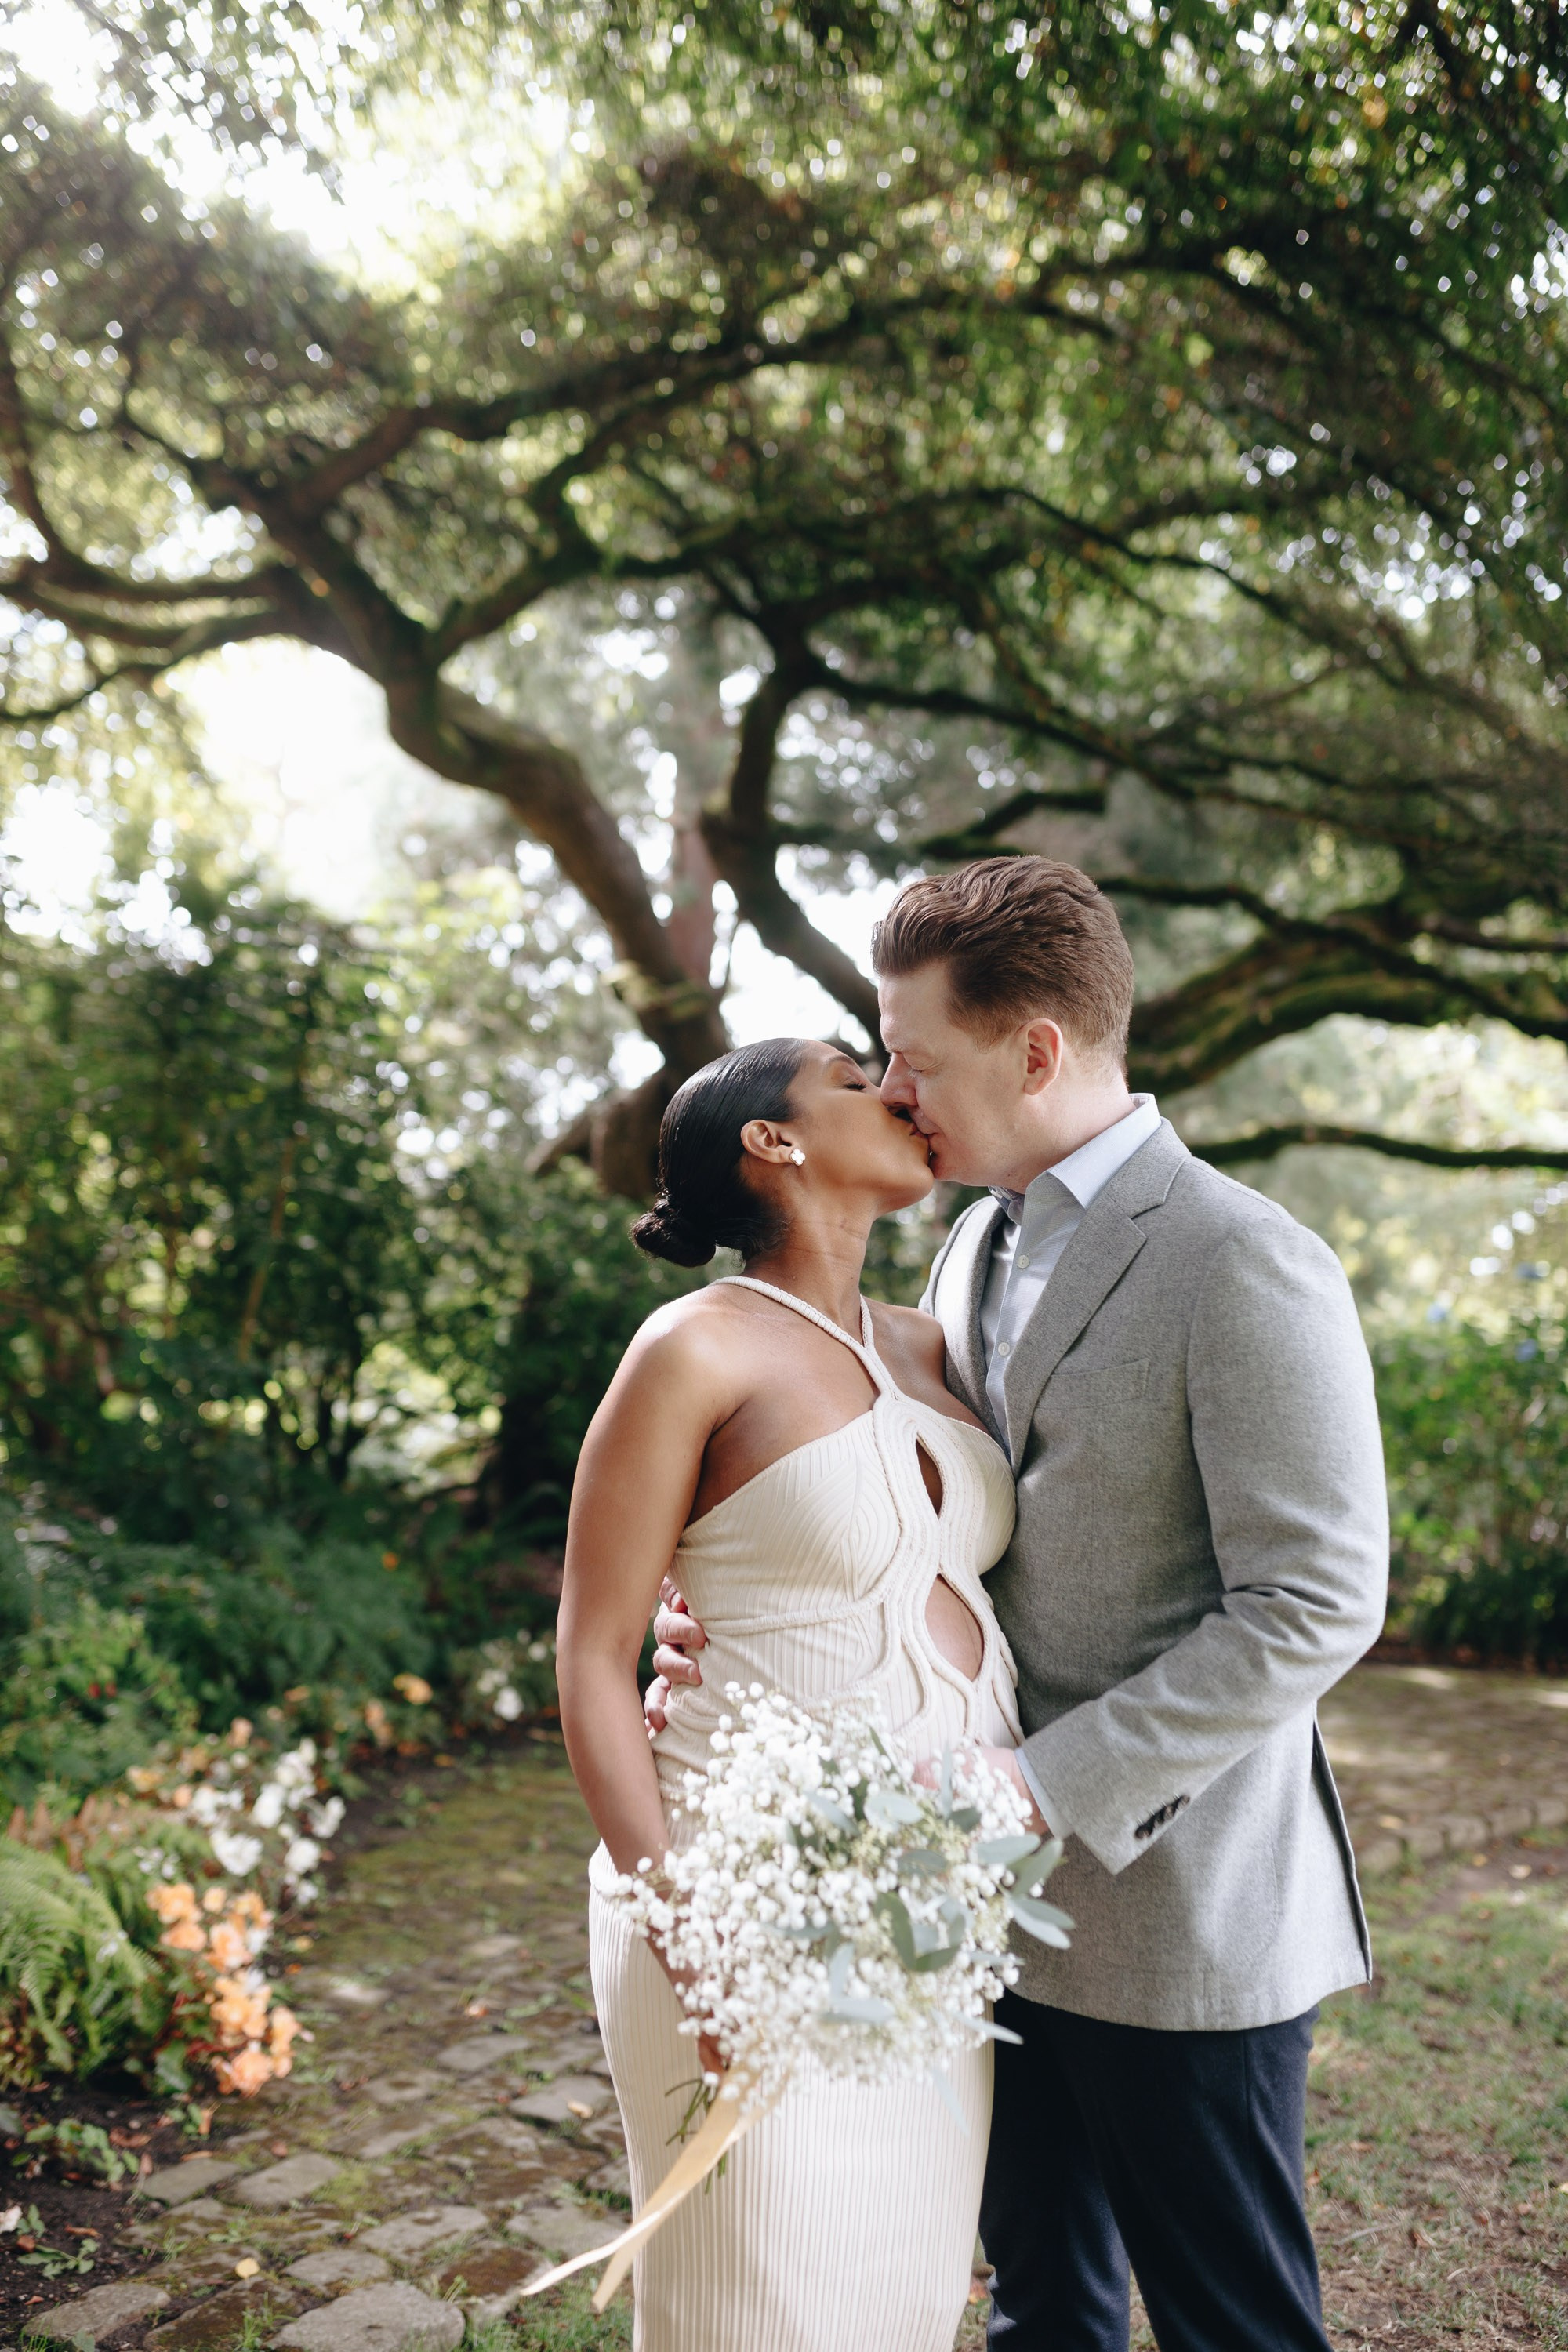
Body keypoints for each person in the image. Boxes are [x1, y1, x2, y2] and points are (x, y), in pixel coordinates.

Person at [647, 855, 1390, 2352]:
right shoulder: (975, 1236)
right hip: (980, 1923)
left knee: (1232, 2321)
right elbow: (909, 1506)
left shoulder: (1243, 1260)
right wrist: (708, 1599)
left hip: (1182, 1915)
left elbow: (1315, 1603)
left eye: (914, 1058)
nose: (899, 1092)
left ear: (1035, 1050)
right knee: (1039, 2306)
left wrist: (1033, 1787)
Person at [554, 1033, 1024, 2352]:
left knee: (899, 2298)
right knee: (756, 2301)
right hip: (735, 1897)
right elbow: (593, 1658)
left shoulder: (939, 1347)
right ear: (776, 1139)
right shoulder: (690, 1351)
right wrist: (688, 1940)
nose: (897, 1089)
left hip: (933, 1899)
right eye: (853, 1076)